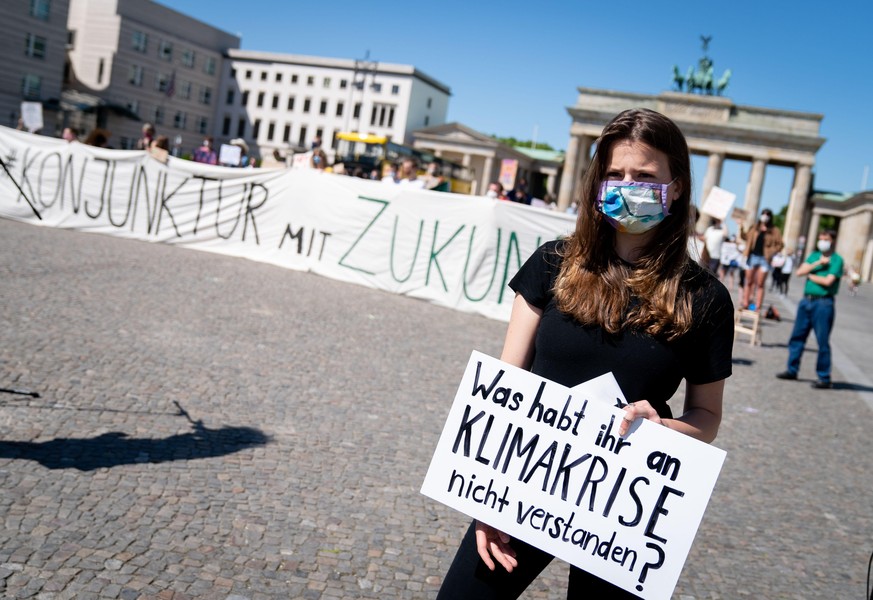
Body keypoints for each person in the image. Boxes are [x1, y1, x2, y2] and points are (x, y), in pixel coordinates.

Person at [436, 108, 734, 599]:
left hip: (622, 502)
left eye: (644, 175)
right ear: (598, 183)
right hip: (523, 479)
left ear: (676, 186)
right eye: (615, 174)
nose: (627, 185)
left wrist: (664, 428)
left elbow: (706, 416)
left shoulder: (704, 298)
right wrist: (484, 493)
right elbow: (507, 381)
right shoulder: (551, 263)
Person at [776, 230, 843, 389]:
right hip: (806, 301)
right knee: (797, 336)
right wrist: (818, 264)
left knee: (822, 341)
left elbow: (828, 282)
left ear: (832, 240)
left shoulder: (837, 260)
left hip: (823, 303)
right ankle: (792, 370)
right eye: (820, 238)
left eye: (825, 239)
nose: (822, 241)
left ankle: (824, 377)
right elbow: (799, 272)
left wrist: (811, 275)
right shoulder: (814, 255)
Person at [740, 208, 783, 310]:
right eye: (763, 214)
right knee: (748, 281)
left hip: (764, 258)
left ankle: (758, 306)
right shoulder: (755, 227)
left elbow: (780, 245)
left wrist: (771, 251)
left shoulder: (774, 230)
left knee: (760, 283)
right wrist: (741, 227)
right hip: (752, 256)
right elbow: (745, 237)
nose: (765, 216)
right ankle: (745, 303)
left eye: (767, 214)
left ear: (770, 217)